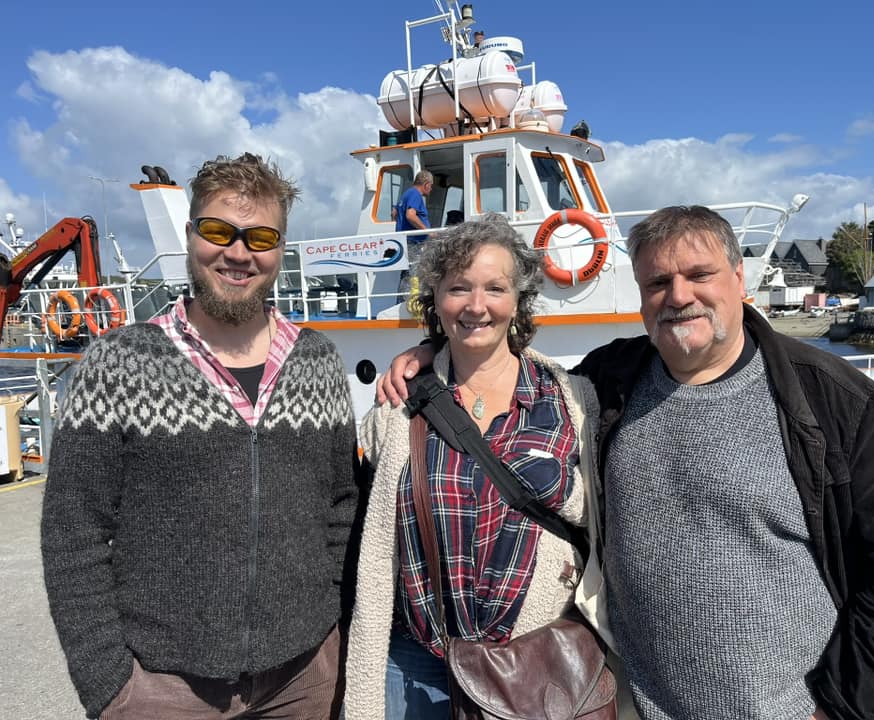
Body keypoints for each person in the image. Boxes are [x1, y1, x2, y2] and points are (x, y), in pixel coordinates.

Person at [375, 205, 874, 719]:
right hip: (647, 703)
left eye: (699, 274)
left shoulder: (831, 399)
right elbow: (505, 366)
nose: (678, 295)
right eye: (657, 282)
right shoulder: (612, 383)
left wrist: (843, 705)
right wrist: (434, 353)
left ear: (739, 279)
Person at [41, 152, 362, 720]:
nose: (238, 253)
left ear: (280, 249)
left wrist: (327, 627)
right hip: (162, 688)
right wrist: (109, 684)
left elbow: (340, 506)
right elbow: (74, 531)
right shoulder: (118, 362)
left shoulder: (317, 360)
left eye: (260, 237)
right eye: (219, 231)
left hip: (303, 677)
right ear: (191, 235)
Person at [342, 213, 599, 719]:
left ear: (519, 300)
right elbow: (372, 550)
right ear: (435, 301)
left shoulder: (573, 399)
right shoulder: (399, 407)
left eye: (495, 288)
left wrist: (564, 490)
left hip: (531, 668)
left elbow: (608, 519)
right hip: (417, 668)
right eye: (458, 288)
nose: (477, 306)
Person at [395, 169, 433, 252]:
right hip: (413, 244)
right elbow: (410, 216)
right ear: (426, 184)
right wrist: (428, 231)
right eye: (431, 186)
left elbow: (394, 213)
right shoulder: (415, 194)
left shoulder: (406, 194)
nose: (431, 189)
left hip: (405, 241)